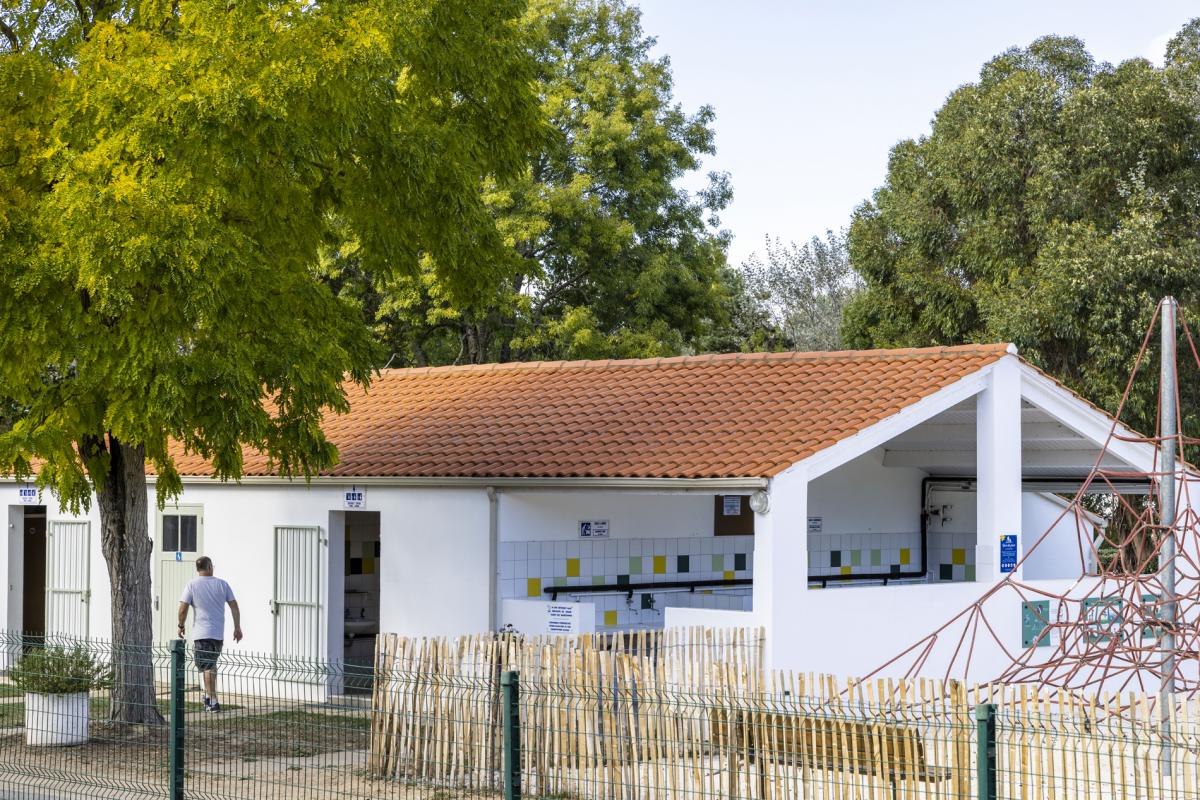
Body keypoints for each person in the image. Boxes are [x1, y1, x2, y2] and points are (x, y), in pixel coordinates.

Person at [178, 556, 242, 712]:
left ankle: (212, 702)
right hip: (217, 635)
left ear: (197, 569)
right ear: (210, 567)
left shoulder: (192, 585)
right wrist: (237, 627)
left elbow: (183, 608)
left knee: (207, 667)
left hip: (201, 634)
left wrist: (180, 625)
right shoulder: (222, 584)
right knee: (211, 666)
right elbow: (234, 606)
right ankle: (208, 696)